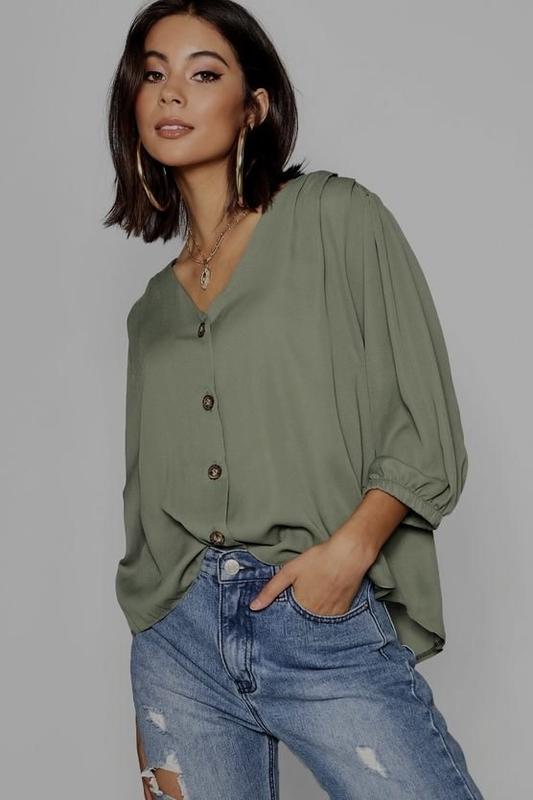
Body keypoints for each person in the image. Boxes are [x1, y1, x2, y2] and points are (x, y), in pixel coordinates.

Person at [104, 2, 485, 798]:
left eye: (203, 73)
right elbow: (146, 505)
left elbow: (424, 425)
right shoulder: (151, 310)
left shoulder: (334, 218)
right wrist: (152, 645)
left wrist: (345, 557)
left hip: (311, 614)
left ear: (253, 105)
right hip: (177, 646)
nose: (170, 92)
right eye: (153, 73)